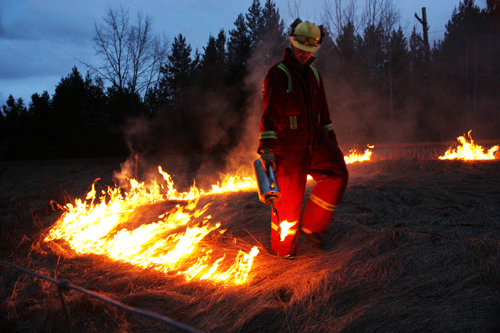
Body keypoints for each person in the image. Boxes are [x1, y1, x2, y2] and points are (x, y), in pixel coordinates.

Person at [258, 19, 348, 257]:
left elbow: (324, 116)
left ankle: (311, 227)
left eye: (309, 50)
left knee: (337, 172)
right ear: (292, 43)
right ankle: (283, 253)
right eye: (300, 48)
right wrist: (267, 149)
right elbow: (270, 116)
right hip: (289, 150)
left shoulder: (316, 76)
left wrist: (332, 144)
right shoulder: (278, 74)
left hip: (316, 144)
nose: (304, 54)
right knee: (287, 207)